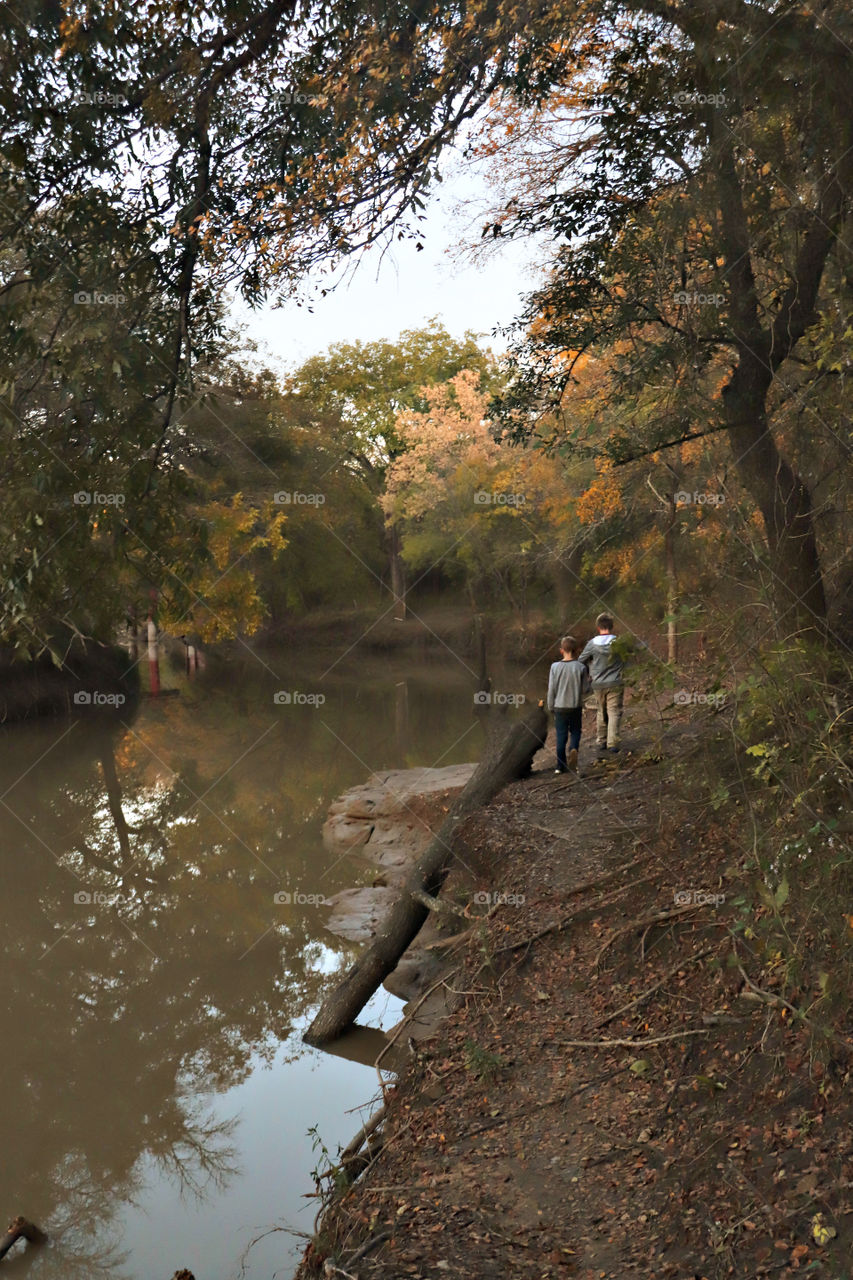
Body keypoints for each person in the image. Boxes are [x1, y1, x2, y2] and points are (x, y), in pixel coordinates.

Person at [579, 613, 631, 755]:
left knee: (601, 711)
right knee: (614, 712)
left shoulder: (591, 644)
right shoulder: (618, 642)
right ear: (612, 627)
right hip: (615, 682)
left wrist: (589, 671)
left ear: (598, 627)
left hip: (597, 684)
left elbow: (580, 661)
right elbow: (627, 659)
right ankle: (612, 743)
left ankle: (601, 741)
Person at [547, 635, 592, 773]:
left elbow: (551, 689)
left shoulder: (554, 667)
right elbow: (585, 690)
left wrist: (550, 706)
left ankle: (560, 766)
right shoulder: (580, 667)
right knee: (576, 731)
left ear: (562, 650)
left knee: (561, 735)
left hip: (559, 707)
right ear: (577, 650)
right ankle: (573, 749)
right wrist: (589, 681)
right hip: (575, 707)